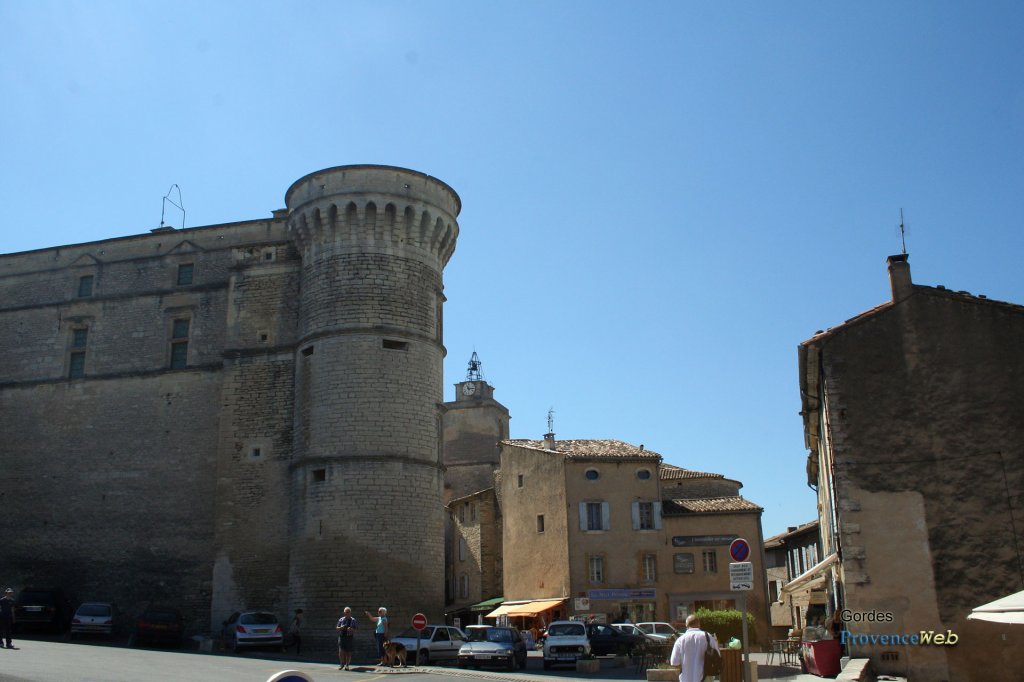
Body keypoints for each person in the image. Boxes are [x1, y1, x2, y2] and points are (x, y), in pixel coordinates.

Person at [669, 614, 720, 682]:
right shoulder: (707, 636)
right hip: (705, 678)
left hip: (686, 679)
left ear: (686, 625)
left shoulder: (680, 640)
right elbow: (718, 655)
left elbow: (674, 663)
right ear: (699, 624)